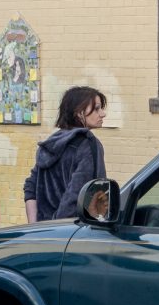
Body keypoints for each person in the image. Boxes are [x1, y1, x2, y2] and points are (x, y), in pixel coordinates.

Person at [24, 86, 107, 222]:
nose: (103, 114)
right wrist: (57, 228)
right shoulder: (89, 145)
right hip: (70, 234)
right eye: (97, 108)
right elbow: (77, 196)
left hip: (43, 232)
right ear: (79, 112)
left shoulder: (50, 143)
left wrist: (35, 227)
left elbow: (30, 187)